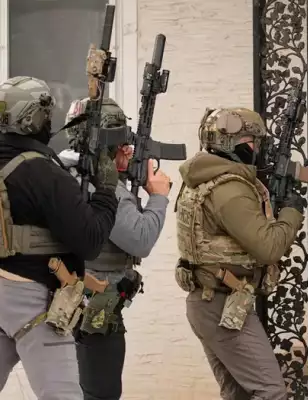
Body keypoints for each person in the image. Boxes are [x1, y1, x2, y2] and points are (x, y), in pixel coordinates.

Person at [174, 107, 305, 400]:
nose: (257, 149)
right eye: (252, 141)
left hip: (212, 300)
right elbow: (269, 247)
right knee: (270, 391)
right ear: (232, 144)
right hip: (221, 305)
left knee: (238, 394)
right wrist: (292, 212)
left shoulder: (206, 179)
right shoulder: (231, 189)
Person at [0, 76, 118, 399]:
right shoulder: (41, 172)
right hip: (33, 298)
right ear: (33, 118)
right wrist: (107, 191)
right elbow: (90, 240)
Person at [58, 97, 172, 400]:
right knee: (102, 392)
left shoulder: (62, 172)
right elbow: (140, 239)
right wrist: (158, 196)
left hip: (68, 300)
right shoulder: (103, 188)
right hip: (96, 306)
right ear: (106, 146)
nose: (128, 150)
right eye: (122, 144)